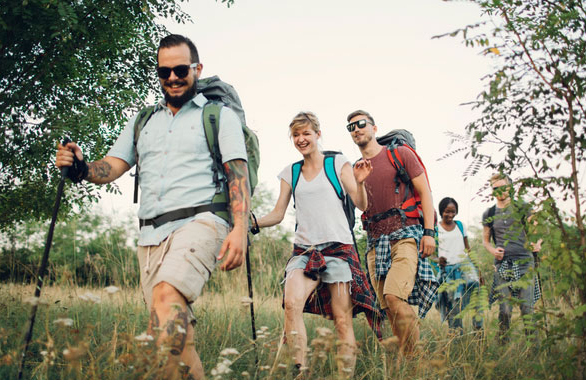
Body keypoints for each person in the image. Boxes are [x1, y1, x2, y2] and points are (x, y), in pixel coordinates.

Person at [55, 34, 250, 379]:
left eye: (179, 69)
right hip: (150, 235)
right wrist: (82, 168)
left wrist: (239, 229)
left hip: (202, 220)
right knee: (173, 336)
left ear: (196, 68)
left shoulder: (218, 116)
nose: (172, 78)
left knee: (166, 297)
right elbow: (114, 165)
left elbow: (237, 174)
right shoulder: (143, 120)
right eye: (164, 71)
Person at [253, 111, 382, 376]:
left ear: (317, 134)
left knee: (342, 320)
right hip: (305, 250)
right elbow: (278, 214)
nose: (301, 139)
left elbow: (360, 204)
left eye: (306, 133)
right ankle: (302, 371)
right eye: (296, 135)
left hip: (339, 249)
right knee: (291, 305)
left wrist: (359, 183)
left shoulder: (337, 164)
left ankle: (345, 374)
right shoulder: (291, 172)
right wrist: (251, 222)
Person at [346, 110, 438, 357]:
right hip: (375, 243)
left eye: (361, 124)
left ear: (375, 128)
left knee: (394, 297)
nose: (356, 129)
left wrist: (429, 232)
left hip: (405, 234)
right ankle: (408, 361)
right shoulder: (356, 169)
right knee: (389, 308)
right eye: (351, 127)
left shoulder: (399, 154)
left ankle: (416, 360)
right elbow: (362, 206)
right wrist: (360, 182)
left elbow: (425, 192)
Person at [482, 174, 541, 338]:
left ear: (510, 188)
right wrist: (493, 251)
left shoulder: (523, 207)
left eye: (502, 187)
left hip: (525, 264)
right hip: (502, 266)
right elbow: (485, 241)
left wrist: (537, 243)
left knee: (527, 309)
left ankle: (533, 349)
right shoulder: (489, 213)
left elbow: (539, 227)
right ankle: (502, 346)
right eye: (495, 188)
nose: (499, 191)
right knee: (505, 310)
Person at [435, 197, 483, 332]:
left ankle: (478, 330)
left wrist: (478, 270)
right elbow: (430, 254)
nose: (450, 215)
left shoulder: (460, 226)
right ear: (441, 212)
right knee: (454, 305)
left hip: (465, 266)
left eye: (453, 212)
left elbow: (468, 249)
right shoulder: (436, 229)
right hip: (448, 271)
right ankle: (456, 334)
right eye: (447, 212)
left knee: (476, 296)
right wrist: (438, 260)